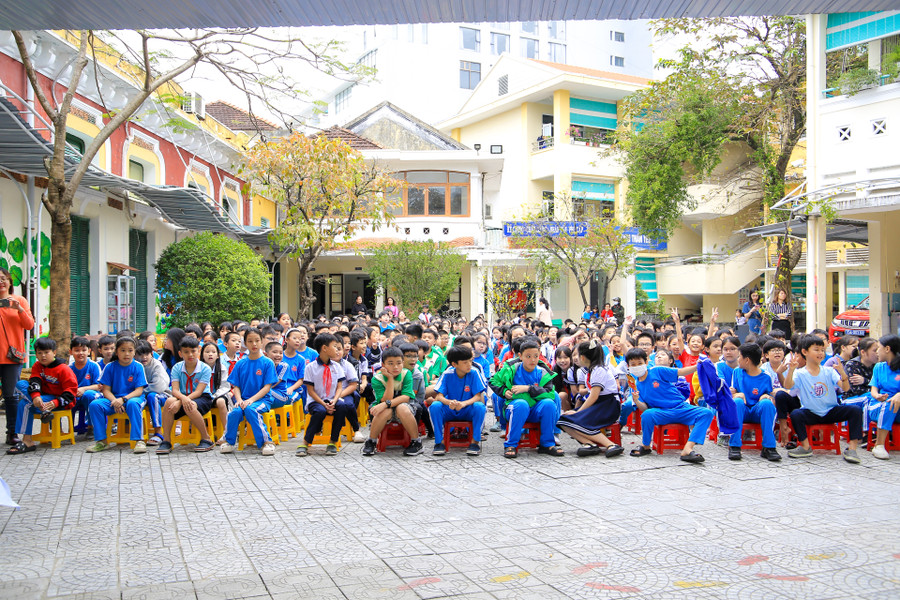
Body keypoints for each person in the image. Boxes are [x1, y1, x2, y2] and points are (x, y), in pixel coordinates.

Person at [625, 347, 710, 463]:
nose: (637, 366)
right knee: (647, 415)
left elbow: (680, 372)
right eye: (633, 364)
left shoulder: (657, 371)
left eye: (639, 363)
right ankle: (645, 446)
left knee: (707, 413)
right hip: (662, 412)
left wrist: (697, 367)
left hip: (681, 408)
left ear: (646, 362)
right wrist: (637, 400)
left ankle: (688, 449)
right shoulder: (635, 385)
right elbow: (644, 408)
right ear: (628, 366)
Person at [783, 334, 860, 463]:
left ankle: (852, 449)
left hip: (831, 410)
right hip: (811, 412)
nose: (820, 353)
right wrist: (791, 371)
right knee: (796, 414)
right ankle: (806, 447)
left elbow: (845, 388)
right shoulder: (800, 373)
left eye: (822, 350)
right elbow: (788, 386)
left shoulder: (828, 371)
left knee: (855, 410)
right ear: (804, 352)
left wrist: (843, 374)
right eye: (816, 349)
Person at [490, 338, 563, 459]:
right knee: (521, 404)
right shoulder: (511, 368)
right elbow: (493, 381)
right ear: (520, 356)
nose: (533, 360)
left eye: (535, 356)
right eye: (528, 356)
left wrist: (528, 389)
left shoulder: (543, 371)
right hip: (514, 408)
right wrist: (504, 391)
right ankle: (511, 445)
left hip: (535, 409)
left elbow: (549, 392)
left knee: (549, 403)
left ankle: (547, 444)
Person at [6, 337, 77, 454]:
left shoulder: (64, 369)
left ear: (54, 352)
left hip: (59, 400)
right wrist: (35, 396)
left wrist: (55, 403)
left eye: (46, 352)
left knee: (24, 403)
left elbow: (71, 393)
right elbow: (34, 381)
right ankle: (43, 411)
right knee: (20, 384)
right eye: (40, 353)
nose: (43, 356)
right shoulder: (37, 366)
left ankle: (27, 440)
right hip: (42, 397)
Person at [557, 341, 624, 458]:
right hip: (599, 404)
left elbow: (594, 396)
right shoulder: (591, 370)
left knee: (577, 419)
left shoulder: (599, 370)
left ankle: (611, 445)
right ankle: (589, 444)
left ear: (583, 357)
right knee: (563, 420)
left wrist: (578, 411)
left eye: (577, 355)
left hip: (608, 406)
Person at [219, 328, 278, 456]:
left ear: (262, 341)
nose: (254, 344)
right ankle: (229, 441)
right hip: (244, 400)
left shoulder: (267, 363)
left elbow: (267, 387)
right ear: (245, 343)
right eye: (250, 341)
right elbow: (236, 386)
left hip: (262, 400)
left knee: (251, 410)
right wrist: (239, 400)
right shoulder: (240, 363)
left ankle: (266, 442)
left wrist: (251, 400)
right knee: (234, 412)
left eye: (257, 340)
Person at [87, 337, 149, 453]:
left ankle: (138, 440)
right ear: (117, 352)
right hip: (114, 399)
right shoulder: (110, 367)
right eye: (123, 350)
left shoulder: (138, 367)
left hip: (132, 398)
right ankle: (102, 441)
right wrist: (115, 401)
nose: (127, 354)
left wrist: (123, 399)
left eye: (130, 350)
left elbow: (139, 391)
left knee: (132, 404)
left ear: (134, 352)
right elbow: (106, 390)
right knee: (95, 405)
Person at [156, 336, 215, 454]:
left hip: (202, 398)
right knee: (168, 402)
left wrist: (180, 401)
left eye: (193, 351)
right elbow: (175, 390)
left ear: (198, 350)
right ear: (180, 353)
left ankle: (206, 438)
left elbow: (198, 392)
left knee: (190, 405)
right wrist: (180, 399)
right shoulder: (177, 367)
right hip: (182, 396)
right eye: (186, 352)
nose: (190, 355)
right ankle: (167, 440)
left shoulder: (205, 368)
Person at [362, 347, 422, 456]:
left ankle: (416, 442)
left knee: (401, 408)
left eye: (399, 363)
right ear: (383, 365)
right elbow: (385, 399)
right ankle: (371, 441)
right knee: (384, 411)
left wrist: (386, 404)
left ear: (403, 363)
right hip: (385, 409)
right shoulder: (377, 379)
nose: (395, 367)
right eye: (390, 363)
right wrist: (389, 379)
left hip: (406, 407)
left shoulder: (406, 374)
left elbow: (406, 397)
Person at [296, 332, 348, 457]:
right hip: (316, 401)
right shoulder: (310, 367)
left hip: (332, 400)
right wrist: (323, 404)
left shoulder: (336, 366)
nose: (337, 349)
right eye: (334, 346)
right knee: (319, 411)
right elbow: (310, 390)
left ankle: (333, 441)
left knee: (342, 407)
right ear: (324, 348)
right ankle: (305, 442)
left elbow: (339, 387)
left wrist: (334, 401)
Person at [727, 343, 782, 461]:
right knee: (737, 402)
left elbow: (769, 393)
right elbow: (732, 392)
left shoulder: (766, 376)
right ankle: (734, 446)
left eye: (739, 357)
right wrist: (736, 394)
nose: (738, 359)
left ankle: (769, 447)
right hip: (743, 410)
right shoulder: (737, 372)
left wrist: (766, 396)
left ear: (747, 360)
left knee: (767, 404)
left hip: (758, 411)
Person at [429, 345, 487, 456]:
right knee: (435, 406)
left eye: (470, 361)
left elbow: (478, 396)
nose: (469, 364)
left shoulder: (474, 372)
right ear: (454, 364)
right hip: (450, 409)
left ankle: (475, 442)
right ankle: (439, 442)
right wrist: (449, 402)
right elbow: (439, 396)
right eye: (465, 362)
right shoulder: (447, 374)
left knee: (480, 406)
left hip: (467, 409)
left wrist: (463, 403)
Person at [867, 335, 900, 460]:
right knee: (889, 404)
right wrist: (878, 396)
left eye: (878, 348)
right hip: (878, 405)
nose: (876, 352)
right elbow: (873, 390)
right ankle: (879, 445)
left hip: (898, 406)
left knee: (894, 402)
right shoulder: (879, 367)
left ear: (887, 349)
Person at [135, 340, 170, 446]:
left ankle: (158, 432)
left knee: (152, 396)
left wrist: (140, 391)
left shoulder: (156, 365)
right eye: (140, 354)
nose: (144, 357)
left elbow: (158, 386)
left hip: (163, 394)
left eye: (147, 354)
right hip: (142, 394)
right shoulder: (135, 365)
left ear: (151, 353)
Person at [199, 342, 232, 445]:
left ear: (218, 355)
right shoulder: (198, 368)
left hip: (218, 394)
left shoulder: (221, 368)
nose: (210, 354)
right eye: (207, 352)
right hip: (202, 395)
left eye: (213, 352)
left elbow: (225, 386)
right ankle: (203, 434)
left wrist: (214, 396)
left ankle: (227, 432)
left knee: (221, 402)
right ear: (202, 354)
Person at [69, 335, 103, 434]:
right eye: (77, 350)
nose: (80, 353)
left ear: (89, 351)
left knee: (89, 395)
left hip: (91, 395)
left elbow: (99, 386)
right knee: (66, 398)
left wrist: (83, 389)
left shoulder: (94, 366)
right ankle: (68, 429)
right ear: (70, 352)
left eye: (83, 350)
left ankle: (91, 427)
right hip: (75, 395)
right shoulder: (69, 368)